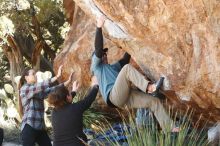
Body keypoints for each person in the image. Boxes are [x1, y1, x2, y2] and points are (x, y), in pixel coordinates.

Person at [91, 16, 179, 132]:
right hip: (114, 96)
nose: (105, 55)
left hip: (124, 98)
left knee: (154, 102)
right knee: (127, 69)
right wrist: (99, 27)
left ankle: (170, 128)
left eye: (105, 54)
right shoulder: (97, 67)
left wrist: (130, 44)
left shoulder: (112, 67)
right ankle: (150, 88)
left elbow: (124, 60)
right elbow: (98, 49)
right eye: (103, 54)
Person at [18, 65, 72, 146]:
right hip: (29, 127)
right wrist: (56, 77)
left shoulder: (38, 90)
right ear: (26, 78)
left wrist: (67, 82)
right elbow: (39, 86)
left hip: (40, 127)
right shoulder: (24, 89)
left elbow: (51, 90)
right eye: (33, 74)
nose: (35, 75)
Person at [47, 76, 99, 146]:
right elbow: (89, 99)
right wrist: (95, 85)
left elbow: (65, 101)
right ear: (68, 97)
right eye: (69, 93)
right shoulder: (76, 108)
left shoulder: (54, 112)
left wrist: (74, 91)